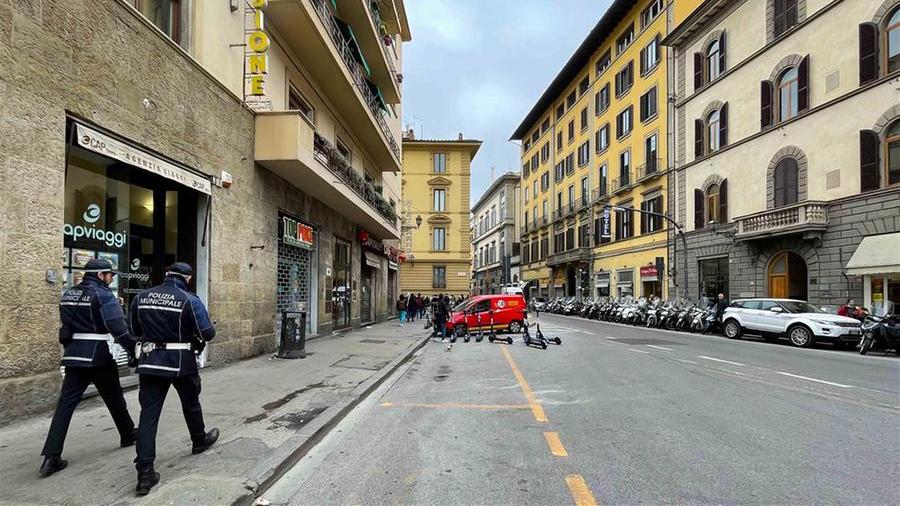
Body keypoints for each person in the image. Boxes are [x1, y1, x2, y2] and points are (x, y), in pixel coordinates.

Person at [39, 259, 137, 478]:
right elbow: (118, 328)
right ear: (101, 275)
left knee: (65, 405)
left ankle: (51, 456)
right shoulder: (103, 295)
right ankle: (128, 434)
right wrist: (133, 349)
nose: (112, 278)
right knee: (114, 397)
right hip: (98, 355)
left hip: (73, 354)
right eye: (110, 275)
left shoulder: (69, 294)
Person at [128, 262, 218, 495]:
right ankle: (199, 440)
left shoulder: (142, 297)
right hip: (180, 361)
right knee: (190, 403)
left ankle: (145, 473)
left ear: (166, 275)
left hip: (150, 360)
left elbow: (134, 329)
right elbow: (207, 332)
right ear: (187, 278)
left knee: (148, 415)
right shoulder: (189, 299)